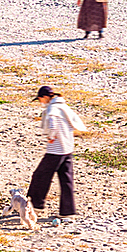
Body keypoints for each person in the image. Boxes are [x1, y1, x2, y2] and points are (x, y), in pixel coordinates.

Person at [27, 86, 86, 223]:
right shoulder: (63, 106)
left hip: (56, 150)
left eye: (40, 98)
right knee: (66, 180)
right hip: (68, 148)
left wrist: (51, 137)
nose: (40, 101)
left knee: (40, 175)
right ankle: (67, 212)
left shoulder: (52, 109)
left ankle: (35, 205)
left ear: (45, 97)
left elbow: (52, 125)